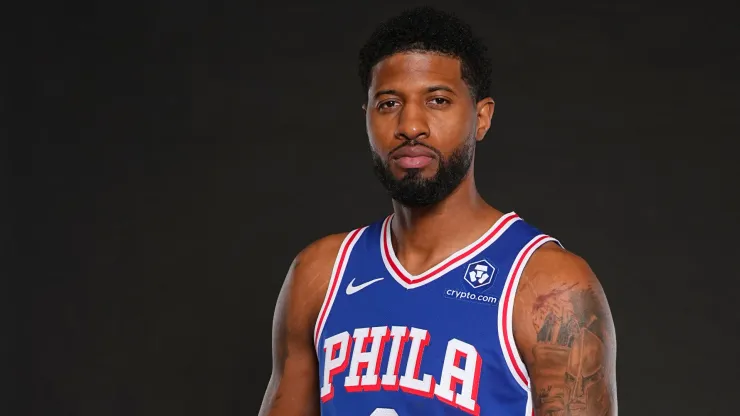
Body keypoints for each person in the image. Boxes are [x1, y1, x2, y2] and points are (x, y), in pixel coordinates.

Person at [259, 6, 617, 416]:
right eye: (389, 103)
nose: (411, 125)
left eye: (438, 100)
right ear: (367, 118)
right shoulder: (319, 275)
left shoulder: (548, 286)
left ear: (481, 118)